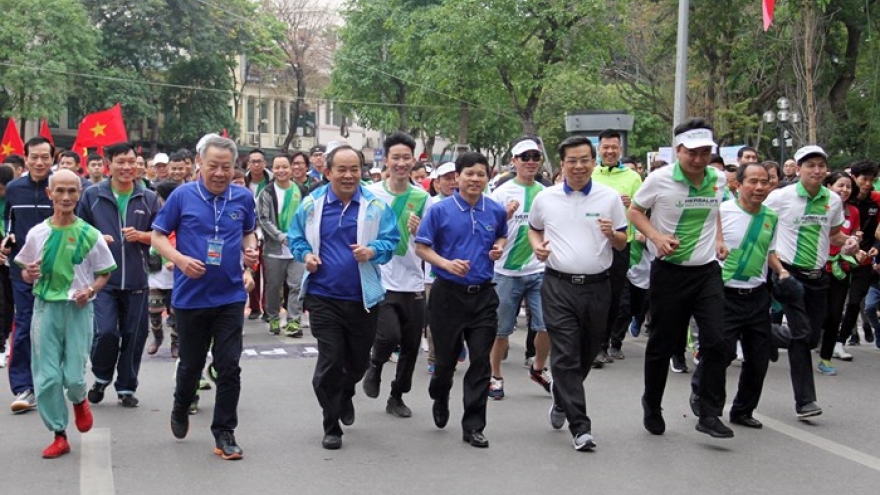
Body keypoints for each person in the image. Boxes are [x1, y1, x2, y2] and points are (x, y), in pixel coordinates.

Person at [151, 135, 259, 461]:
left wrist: (250, 250)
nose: (219, 173)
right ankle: (181, 403)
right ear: (200, 163)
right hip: (191, 298)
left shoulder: (242, 198)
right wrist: (181, 260)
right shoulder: (182, 196)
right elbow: (157, 237)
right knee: (192, 365)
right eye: (213, 166)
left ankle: (224, 432)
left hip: (229, 296)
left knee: (229, 367)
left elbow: (247, 232)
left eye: (226, 167)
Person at [288, 145, 399, 450]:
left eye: (354, 169)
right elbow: (295, 235)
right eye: (342, 169)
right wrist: (306, 254)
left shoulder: (376, 205)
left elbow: (392, 241)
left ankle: (346, 391)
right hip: (323, 296)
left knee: (357, 362)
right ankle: (331, 423)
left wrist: (372, 250)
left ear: (362, 171)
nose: (349, 175)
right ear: (328, 172)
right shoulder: (312, 204)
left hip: (364, 297)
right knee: (330, 360)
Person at [629, 119, 733, 438]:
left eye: (705, 152)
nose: (699, 160)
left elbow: (715, 210)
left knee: (718, 342)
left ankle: (708, 409)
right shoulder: (659, 180)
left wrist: (717, 239)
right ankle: (652, 403)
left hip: (706, 272)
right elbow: (635, 212)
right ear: (678, 151)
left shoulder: (717, 179)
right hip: (670, 272)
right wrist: (656, 237)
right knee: (662, 344)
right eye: (692, 153)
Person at [527, 135, 627, 451]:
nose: (579, 166)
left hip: (598, 287)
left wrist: (613, 236)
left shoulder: (609, 197)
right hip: (558, 285)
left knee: (586, 354)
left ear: (593, 162)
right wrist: (537, 247)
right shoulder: (546, 198)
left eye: (585, 159)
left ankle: (562, 398)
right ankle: (580, 427)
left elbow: (624, 240)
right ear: (562, 164)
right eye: (572, 160)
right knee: (567, 352)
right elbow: (534, 228)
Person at [13, 169, 116, 458]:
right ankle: (59, 433)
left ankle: (79, 398)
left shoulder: (89, 234)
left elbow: (104, 273)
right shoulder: (38, 233)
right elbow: (25, 271)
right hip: (45, 308)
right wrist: (28, 273)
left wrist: (91, 290)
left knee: (73, 376)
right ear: (50, 194)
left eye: (72, 191)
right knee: (46, 377)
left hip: (78, 309)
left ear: (79, 193)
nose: (66, 197)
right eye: (60, 191)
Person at [415, 151, 508, 448]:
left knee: (480, 362)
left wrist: (498, 248)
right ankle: (439, 394)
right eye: (469, 174)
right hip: (447, 296)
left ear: (487, 177)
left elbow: (502, 236)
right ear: (458, 177)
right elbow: (421, 248)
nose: (475, 179)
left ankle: (474, 426)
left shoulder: (494, 210)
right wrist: (445, 263)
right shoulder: (440, 210)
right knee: (445, 363)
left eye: (481, 174)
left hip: (483, 296)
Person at [763, 145, 859, 419]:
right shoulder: (781, 197)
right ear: (799, 169)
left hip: (819, 276)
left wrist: (849, 244)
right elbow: (759, 223)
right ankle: (805, 401)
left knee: (810, 336)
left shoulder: (832, 200)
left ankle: (763, 331)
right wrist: (777, 268)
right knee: (802, 335)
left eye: (821, 165)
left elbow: (834, 235)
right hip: (789, 273)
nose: (817, 170)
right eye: (810, 165)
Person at [691, 162, 782, 430]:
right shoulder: (721, 211)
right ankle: (708, 404)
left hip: (757, 295)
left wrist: (783, 273)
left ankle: (743, 410)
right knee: (721, 352)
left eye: (764, 182)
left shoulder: (771, 216)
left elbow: (771, 252)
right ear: (738, 184)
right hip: (723, 293)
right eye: (752, 181)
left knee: (758, 357)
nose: (759, 187)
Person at [78, 142, 160, 408]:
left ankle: (126, 387)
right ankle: (101, 377)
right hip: (102, 281)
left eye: (131, 161)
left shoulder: (148, 197)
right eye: (120, 162)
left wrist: (142, 236)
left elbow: (161, 236)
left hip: (136, 280)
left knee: (133, 336)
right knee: (105, 332)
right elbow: (77, 231)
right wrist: (96, 238)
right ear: (108, 164)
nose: (126, 167)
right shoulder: (92, 195)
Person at [361, 132, 432, 418]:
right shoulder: (371, 193)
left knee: (412, 347)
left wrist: (420, 232)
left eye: (406, 158)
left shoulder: (423, 198)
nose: (401, 163)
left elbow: (431, 241)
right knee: (389, 336)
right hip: (382, 279)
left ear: (413, 161)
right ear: (386, 160)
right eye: (396, 158)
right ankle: (375, 364)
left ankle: (397, 396)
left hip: (413, 280)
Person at [486, 138, 551, 400]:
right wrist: (506, 215)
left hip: (538, 269)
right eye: (525, 157)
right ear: (514, 162)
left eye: (536, 156)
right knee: (501, 331)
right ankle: (495, 376)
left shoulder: (547, 193)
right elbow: (488, 227)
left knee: (547, 325)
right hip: (506, 271)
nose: (531, 162)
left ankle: (538, 368)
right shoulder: (501, 193)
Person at [5, 137, 56, 413]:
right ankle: (24, 387)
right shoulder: (14, 189)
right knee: (24, 324)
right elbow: (8, 223)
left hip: (58, 272)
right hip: (22, 270)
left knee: (53, 328)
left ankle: (52, 379)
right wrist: (6, 242)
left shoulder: (61, 187)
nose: (39, 162)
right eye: (34, 157)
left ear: (53, 157)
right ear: (25, 159)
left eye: (44, 157)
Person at [591, 129, 643, 364]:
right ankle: (593, 342)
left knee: (614, 296)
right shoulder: (591, 174)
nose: (610, 151)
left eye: (614, 147)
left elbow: (641, 210)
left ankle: (606, 343)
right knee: (593, 295)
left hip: (622, 243)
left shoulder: (632, 177)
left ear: (620, 149)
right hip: (593, 242)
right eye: (606, 147)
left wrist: (631, 204)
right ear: (599, 149)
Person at [816, 171, 862, 375]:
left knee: (835, 314)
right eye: (840, 185)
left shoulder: (853, 211)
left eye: (848, 186)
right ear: (829, 186)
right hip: (817, 268)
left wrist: (855, 244)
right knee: (819, 314)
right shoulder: (819, 208)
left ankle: (825, 358)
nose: (844, 190)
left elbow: (851, 237)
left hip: (840, 270)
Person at [257, 153, 307, 336]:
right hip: (274, 249)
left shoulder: (301, 190)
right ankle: (273, 317)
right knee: (273, 286)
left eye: (285, 167)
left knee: (297, 285)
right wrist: (280, 236)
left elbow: (307, 216)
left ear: (291, 168)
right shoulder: (267, 192)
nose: (281, 171)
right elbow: (263, 219)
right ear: (272, 169)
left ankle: (294, 321)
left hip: (298, 248)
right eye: (277, 167)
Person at [835, 160, 880, 350]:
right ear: (854, 178)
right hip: (839, 259)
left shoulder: (876, 200)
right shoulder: (844, 200)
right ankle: (828, 335)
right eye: (864, 179)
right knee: (836, 303)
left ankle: (841, 341)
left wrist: (877, 247)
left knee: (855, 302)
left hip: (864, 259)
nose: (868, 183)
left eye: (872, 179)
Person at [244, 148, 272, 322]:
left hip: (268, 233)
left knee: (269, 272)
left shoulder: (272, 182)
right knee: (251, 269)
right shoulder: (242, 181)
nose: (256, 164)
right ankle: (254, 307)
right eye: (253, 161)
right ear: (248, 164)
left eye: (259, 161)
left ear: (264, 163)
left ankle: (268, 308)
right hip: (248, 232)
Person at [0, 164, 15, 366]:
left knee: (9, 302)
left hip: (13, 255)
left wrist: (7, 246)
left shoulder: (15, 199)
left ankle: (7, 337)